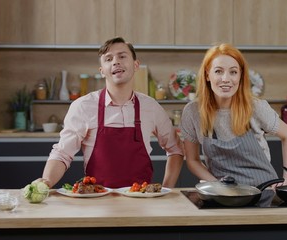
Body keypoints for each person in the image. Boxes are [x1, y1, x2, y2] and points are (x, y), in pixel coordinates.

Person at [35, 37, 184, 189]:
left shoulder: (151, 107)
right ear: (102, 71)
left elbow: (176, 149)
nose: (115, 61)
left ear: (136, 65)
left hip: (141, 201)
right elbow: (62, 154)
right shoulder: (83, 106)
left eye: (122, 56)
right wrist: (46, 181)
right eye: (108, 59)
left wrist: (167, 189)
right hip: (97, 201)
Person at [180, 43, 287, 188]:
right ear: (207, 75)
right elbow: (192, 160)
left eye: (233, 72)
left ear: (241, 76)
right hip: (223, 195)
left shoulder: (255, 107)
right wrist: (215, 184)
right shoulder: (193, 112)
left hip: (262, 192)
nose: (226, 79)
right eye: (218, 71)